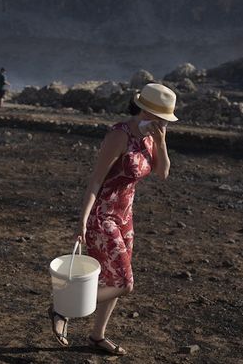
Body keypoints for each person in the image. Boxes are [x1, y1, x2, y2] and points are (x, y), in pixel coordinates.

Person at [48, 83, 178, 355]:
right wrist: (82, 220)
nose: (164, 123)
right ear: (145, 110)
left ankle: (97, 336)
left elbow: (163, 173)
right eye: (161, 117)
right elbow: (95, 180)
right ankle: (63, 307)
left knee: (111, 280)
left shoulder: (151, 137)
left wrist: (162, 141)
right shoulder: (119, 136)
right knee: (123, 283)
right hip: (103, 217)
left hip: (125, 217)